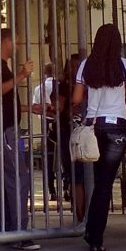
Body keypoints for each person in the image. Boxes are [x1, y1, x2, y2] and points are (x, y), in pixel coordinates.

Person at [72, 24, 126, 251]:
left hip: (94, 125)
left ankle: (92, 232)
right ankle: (95, 236)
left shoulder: (86, 65)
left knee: (99, 182)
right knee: (105, 185)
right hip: (117, 126)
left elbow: (77, 98)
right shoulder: (125, 65)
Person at [0, 28, 40, 250]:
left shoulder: (2, 66)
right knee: (19, 177)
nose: (17, 47)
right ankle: (18, 232)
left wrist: (30, 108)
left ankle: (3, 229)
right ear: (5, 42)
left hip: (4, 129)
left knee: (3, 178)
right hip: (4, 131)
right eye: (15, 43)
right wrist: (22, 75)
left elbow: (6, 103)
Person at [53, 53, 85, 222]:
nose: (74, 70)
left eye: (77, 66)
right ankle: (80, 213)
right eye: (72, 66)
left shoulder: (83, 84)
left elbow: (57, 107)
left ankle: (83, 213)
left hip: (82, 131)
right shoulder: (63, 86)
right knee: (77, 174)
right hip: (70, 131)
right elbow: (58, 106)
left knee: (82, 174)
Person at [32, 63, 57, 201]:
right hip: (61, 122)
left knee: (49, 156)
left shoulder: (38, 88)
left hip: (46, 123)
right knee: (65, 155)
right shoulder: (59, 85)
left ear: (44, 73)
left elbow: (36, 107)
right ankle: (67, 186)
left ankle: (51, 189)